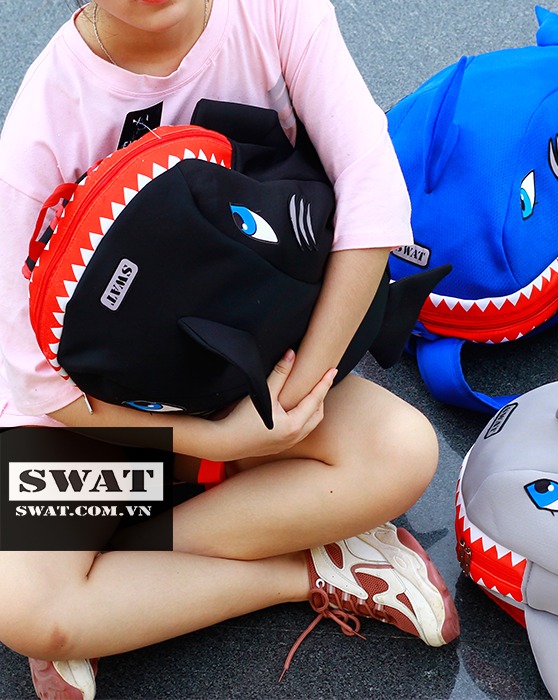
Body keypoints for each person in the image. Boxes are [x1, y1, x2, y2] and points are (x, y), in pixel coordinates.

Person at [0, 1, 459, 698]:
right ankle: (305, 572)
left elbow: (373, 194)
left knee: (403, 452)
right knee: (28, 609)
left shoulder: (274, 11)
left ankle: (119, 579)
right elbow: (39, 385)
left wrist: (282, 409)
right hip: (104, 425)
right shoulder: (39, 131)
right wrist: (216, 440)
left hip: (252, 371)